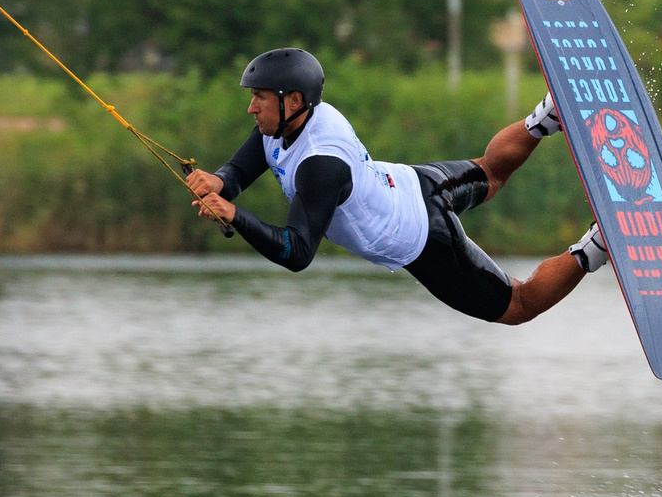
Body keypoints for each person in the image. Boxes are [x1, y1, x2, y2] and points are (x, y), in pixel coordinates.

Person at [187, 47, 607, 325]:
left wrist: (235, 215)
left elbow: (296, 253)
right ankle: (546, 117)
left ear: (292, 101)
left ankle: (596, 247)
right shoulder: (287, 121)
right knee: (490, 172)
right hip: (411, 182)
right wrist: (222, 181)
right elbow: (248, 163)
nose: (250, 107)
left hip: (422, 238)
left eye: (259, 96)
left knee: (517, 306)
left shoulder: (320, 164)